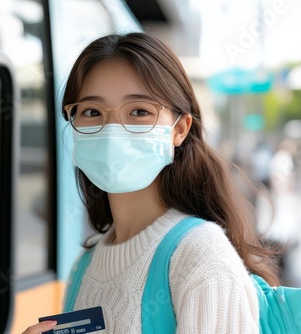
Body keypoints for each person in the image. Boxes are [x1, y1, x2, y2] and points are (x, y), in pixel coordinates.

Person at [23, 32, 279, 334]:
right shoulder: (86, 264)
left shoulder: (200, 255)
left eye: (139, 112)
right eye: (92, 112)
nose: (113, 129)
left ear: (179, 129)